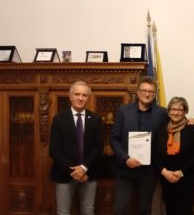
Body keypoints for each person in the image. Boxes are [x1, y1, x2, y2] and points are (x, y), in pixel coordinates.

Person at [110, 76, 168, 215]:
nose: (147, 94)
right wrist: (125, 159)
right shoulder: (124, 110)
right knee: (120, 209)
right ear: (138, 91)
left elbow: (175, 124)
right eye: (144, 90)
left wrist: (189, 120)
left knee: (144, 210)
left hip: (148, 171)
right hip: (125, 169)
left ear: (154, 94)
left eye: (151, 92)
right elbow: (114, 138)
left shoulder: (162, 113)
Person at [49, 81, 103, 215]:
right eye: (77, 94)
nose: (80, 98)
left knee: (88, 211)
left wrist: (84, 168)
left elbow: (98, 147)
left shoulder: (95, 119)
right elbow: (54, 149)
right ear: (70, 96)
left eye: (84, 95)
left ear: (88, 97)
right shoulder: (59, 119)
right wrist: (75, 171)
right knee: (63, 212)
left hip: (89, 174)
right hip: (64, 174)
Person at [154, 96, 194, 215]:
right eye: (173, 109)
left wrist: (181, 172)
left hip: (186, 180)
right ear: (168, 111)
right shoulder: (161, 129)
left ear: (185, 111)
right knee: (170, 211)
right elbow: (154, 154)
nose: (176, 112)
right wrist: (164, 171)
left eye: (180, 110)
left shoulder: (192, 128)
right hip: (166, 179)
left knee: (186, 211)